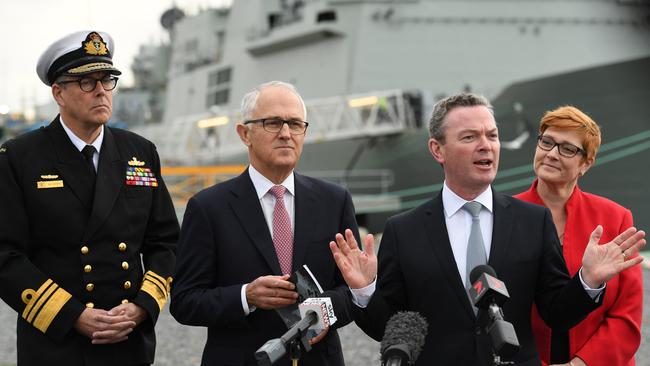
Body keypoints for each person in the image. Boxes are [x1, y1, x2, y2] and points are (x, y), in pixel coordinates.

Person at [328, 93, 646, 366]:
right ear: (437, 149)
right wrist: (364, 289)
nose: (487, 146)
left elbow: (556, 314)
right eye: (470, 137)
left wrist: (587, 281)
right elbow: (392, 327)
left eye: (492, 136)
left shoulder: (533, 221)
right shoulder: (404, 230)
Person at [0, 31, 179, 366]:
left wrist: (144, 304)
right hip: (56, 344)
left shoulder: (139, 152)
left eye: (107, 79)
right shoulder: (19, 158)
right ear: (58, 92)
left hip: (128, 341)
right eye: (86, 82)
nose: (101, 90)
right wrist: (73, 315)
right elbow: (5, 254)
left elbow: (165, 241)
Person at [170, 81, 360, 366]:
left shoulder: (335, 201)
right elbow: (185, 302)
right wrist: (246, 296)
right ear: (244, 133)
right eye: (273, 123)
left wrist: (323, 311)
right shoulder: (208, 208)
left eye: (295, 124)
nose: (286, 134)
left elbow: (353, 291)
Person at [514, 106, 642, 366]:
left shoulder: (615, 218)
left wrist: (580, 364)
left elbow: (626, 316)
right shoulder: (505, 217)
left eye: (567, 149)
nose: (551, 154)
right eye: (546, 142)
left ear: (586, 163)